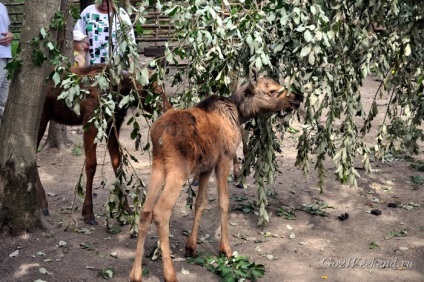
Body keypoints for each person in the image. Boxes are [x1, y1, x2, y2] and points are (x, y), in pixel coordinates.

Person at [73, 0, 135, 65]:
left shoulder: (121, 14)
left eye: (107, 1)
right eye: (101, 0)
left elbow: (130, 41)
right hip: (91, 67)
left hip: (116, 66)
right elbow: (76, 38)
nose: (104, 3)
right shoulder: (87, 12)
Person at [0, 2, 13, 126]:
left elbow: (6, 30)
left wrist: (11, 35)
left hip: (5, 56)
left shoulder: (3, 7)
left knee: (4, 102)